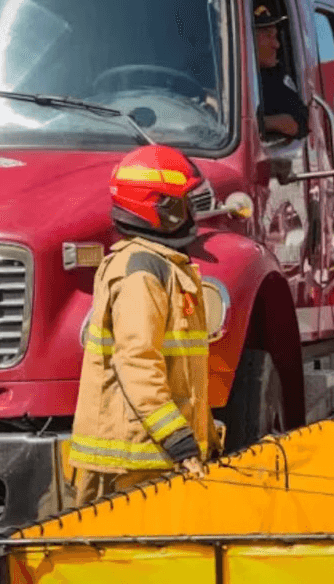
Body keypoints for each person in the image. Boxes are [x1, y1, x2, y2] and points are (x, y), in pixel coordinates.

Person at [68, 144, 219, 505]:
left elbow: (183, 373)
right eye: (183, 203)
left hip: (154, 460)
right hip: (131, 467)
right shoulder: (141, 271)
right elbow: (138, 362)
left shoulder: (161, 265)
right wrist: (178, 441)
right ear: (161, 211)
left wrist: (206, 439)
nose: (192, 216)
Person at [254, 2, 309, 140]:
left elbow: (300, 123)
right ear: (248, 39)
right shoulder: (217, 77)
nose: (277, 44)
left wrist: (259, 123)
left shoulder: (274, 77)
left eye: (276, 36)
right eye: (268, 36)